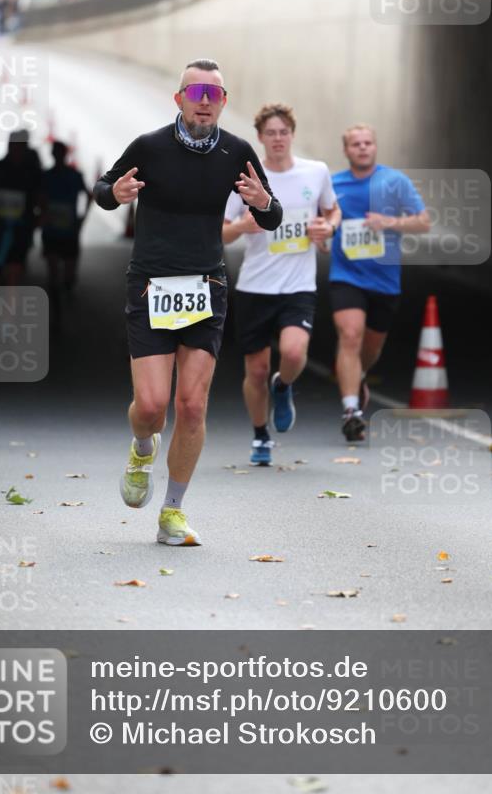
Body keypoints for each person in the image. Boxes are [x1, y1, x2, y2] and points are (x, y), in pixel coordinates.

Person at [93, 59, 282, 546]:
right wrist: (114, 192)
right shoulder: (149, 147)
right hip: (151, 285)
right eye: (195, 91)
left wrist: (262, 202)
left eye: (214, 93)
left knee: (192, 406)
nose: (204, 99)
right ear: (179, 99)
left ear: (223, 103)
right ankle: (141, 448)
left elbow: (274, 214)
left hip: (206, 286)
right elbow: (102, 192)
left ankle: (172, 512)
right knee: (153, 407)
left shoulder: (237, 152)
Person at [223, 103, 340, 465]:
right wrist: (242, 227)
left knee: (292, 353)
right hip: (255, 287)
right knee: (255, 370)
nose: (277, 139)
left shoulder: (315, 172)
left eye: (283, 132)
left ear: (292, 134)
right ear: (259, 138)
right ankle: (260, 436)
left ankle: (284, 385)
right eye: (270, 133)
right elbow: (221, 234)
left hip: (298, 286)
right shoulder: (245, 181)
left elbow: (331, 209)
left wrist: (328, 226)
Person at [330, 124, 430, 442]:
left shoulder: (394, 181)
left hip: (384, 280)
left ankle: (357, 377)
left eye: (368, 143)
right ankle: (351, 411)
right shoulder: (334, 185)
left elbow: (423, 222)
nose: (362, 148)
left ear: (375, 147)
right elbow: (321, 219)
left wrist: (388, 222)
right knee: (350, 334)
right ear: (346, 150)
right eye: (355, 144)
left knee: (370, 347)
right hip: (345, 275)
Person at [0, 130, 42, 286]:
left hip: (19, 232)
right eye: (14, 145)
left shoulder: (32, 174)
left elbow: (41, 200)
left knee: (12, 279)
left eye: (20, 146)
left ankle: (7, 310)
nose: (17, 149)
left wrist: (35, 222)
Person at [39, 140, 91, 316]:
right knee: (54, 273)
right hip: (55, 231)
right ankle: (57, 307)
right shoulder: (48, 176)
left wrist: (82, 218)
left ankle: (63, 298)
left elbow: (89, 195)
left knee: (67, 276)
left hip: (66, 231)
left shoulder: (73, 175)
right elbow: (38, 197)